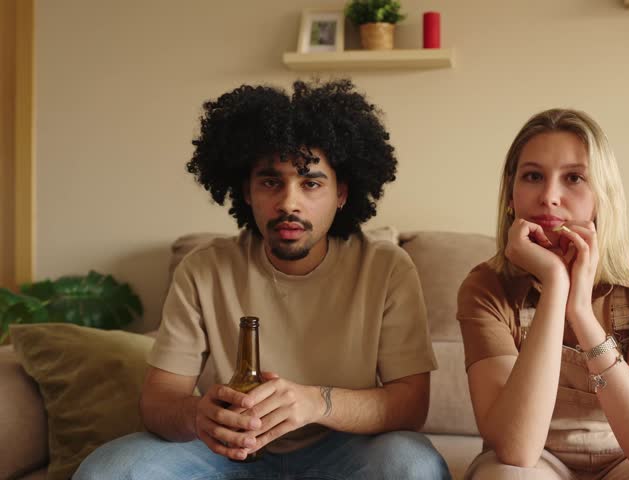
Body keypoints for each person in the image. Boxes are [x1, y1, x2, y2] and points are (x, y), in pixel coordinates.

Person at [75, 80, 450, 480]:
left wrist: (315, 403)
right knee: (108, 471)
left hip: (345, 449)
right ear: (247, 192)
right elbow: (159, 401)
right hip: (225, 453)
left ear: (341, 193)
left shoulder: (387, 268)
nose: (289, 202)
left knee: (414, 466)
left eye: (311, 183)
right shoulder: (203, 270)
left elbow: (410, 405)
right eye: (271, 182)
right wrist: (198, 416)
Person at [456, 109, 629, 479]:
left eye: (574, 177)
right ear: (511, 194)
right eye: (533, 176)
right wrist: (555, 285)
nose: (549, 197)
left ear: (602, 195)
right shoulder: (485, 287)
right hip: (535, 459)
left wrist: (581, 314)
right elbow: (517, 448)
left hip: (628, 457)